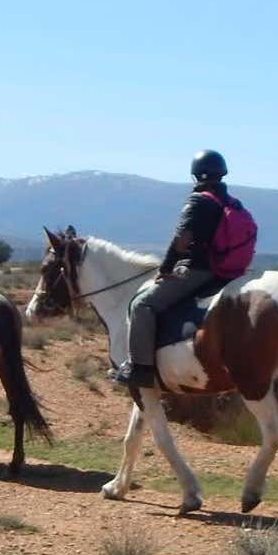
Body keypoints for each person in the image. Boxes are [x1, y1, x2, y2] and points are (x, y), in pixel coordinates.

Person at [110, 150, 233, 388]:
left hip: (198, 271)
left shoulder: (200, 200)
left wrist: (165, 268)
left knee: (141, 305)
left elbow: (182, 238)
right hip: (224, 271)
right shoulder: (229, 203)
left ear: (196, 175)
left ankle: (141, 369)